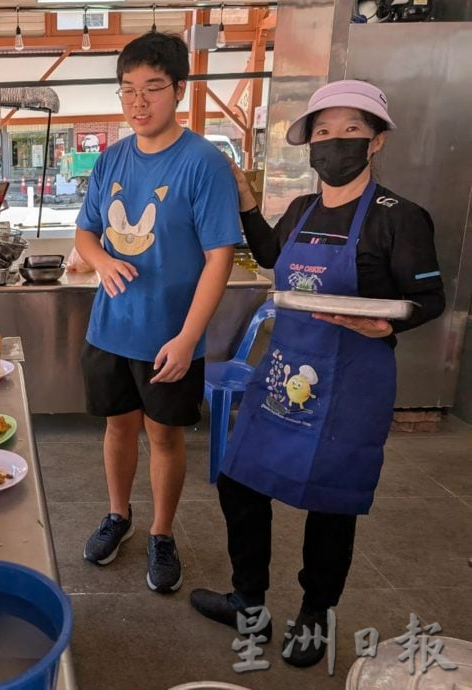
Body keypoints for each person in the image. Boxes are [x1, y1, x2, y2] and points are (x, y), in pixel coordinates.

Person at [189, 80, 445, 668]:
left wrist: (389, 325)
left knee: (331, 505)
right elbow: (275, 258)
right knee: (239, 480)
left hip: (352, 383)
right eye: (322, 133)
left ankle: (315, 617)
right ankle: (248, 600)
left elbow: (428, 298)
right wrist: (248, 203)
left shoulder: (399, 217)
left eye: (349, 130)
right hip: (284, 374)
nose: (333, 144)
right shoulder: (303, 209)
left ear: (375, 141)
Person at [75, 32, 242, 593]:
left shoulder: (204, 163)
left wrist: (189, 337)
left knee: (165, 437)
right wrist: (100, 261)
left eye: (152, 89)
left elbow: (221, 258)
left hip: (170, 336)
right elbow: (85, 230)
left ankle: (162, 533)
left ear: (179, 90)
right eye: (127, 91)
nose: (138, 102)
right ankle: (119, 516)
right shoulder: (111, 158)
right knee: (117, 427)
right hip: (110, 328)